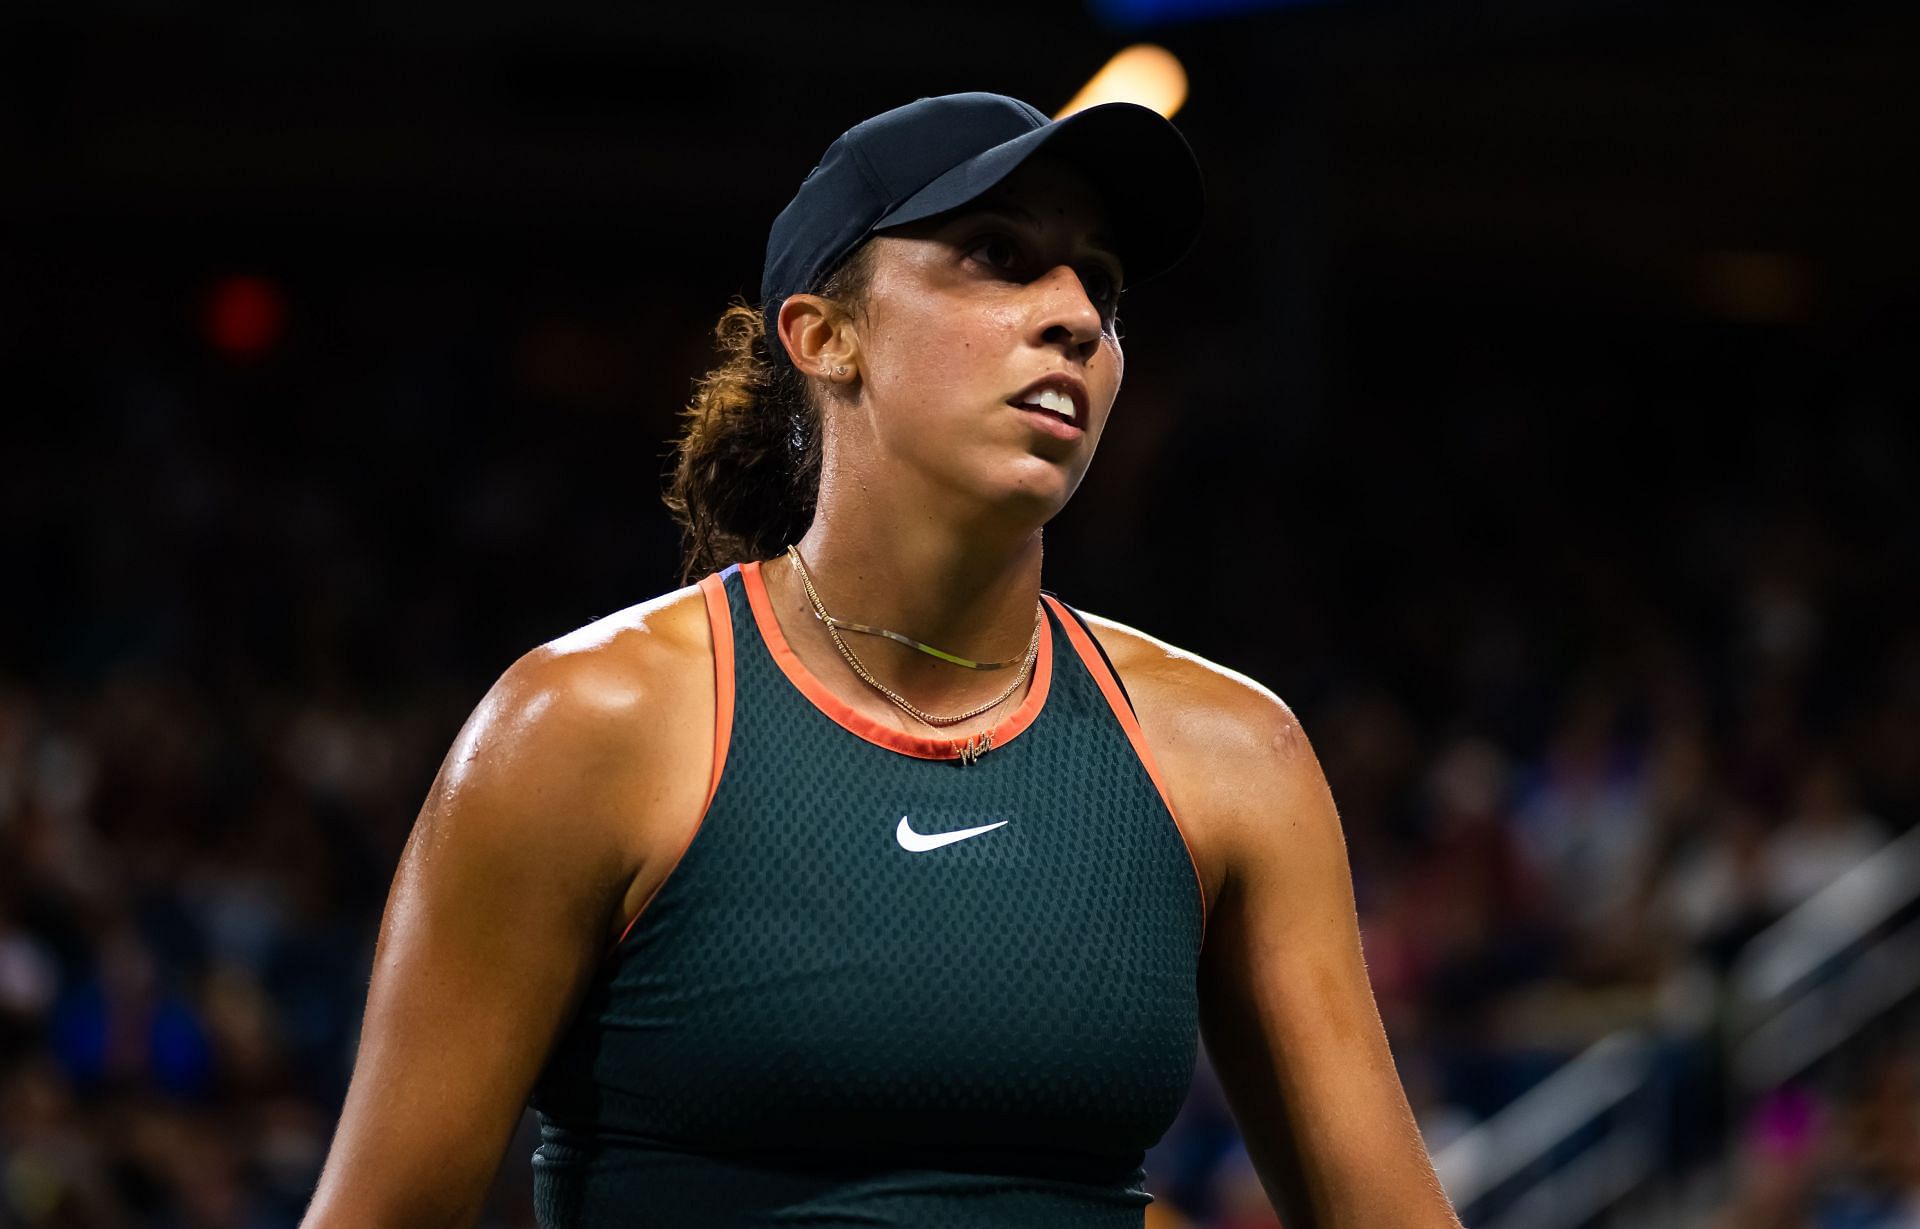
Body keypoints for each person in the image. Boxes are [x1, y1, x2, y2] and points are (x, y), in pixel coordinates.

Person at [300, 92, 1462, 1229]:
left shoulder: (1233, 754)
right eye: (1000, 257)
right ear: (825, 334)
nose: (1073, 315)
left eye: (1100, 287)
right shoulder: (584, 724)